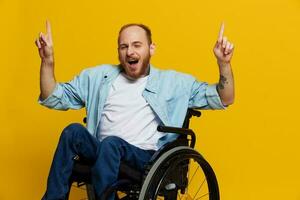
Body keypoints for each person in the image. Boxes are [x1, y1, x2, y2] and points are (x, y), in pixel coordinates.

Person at [35, 20, 235, 200]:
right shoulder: (98, 78)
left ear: (151, 48)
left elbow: (225, 98)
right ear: (119, 51)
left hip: (144, 157)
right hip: (102, 151)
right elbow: (53, 96)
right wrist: (48, 62)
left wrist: (224, 64)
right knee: (72, 132)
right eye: (124, 46)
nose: (130, 51)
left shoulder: (174, 83)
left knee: (112, 144)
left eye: (136, 45)